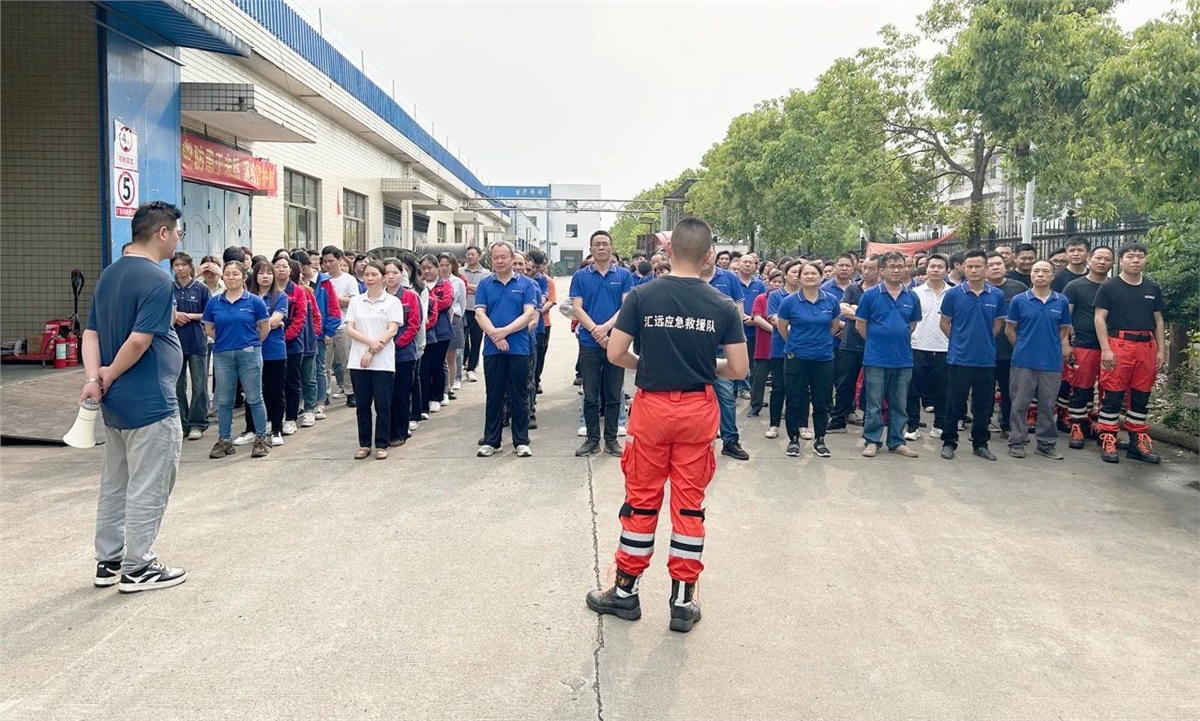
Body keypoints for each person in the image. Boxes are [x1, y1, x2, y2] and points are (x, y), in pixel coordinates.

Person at [585, 217, 747, 634]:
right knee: (689, 505)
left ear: (669, 250)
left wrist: (651, 363)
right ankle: (682, 600)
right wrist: (701, 366)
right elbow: (740, 367)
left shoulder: (641, 296)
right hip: (698, 409)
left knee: (641, 500)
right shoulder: (723, 306)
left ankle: (624, 592)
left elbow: (616, 353)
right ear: (709, 255)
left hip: (652, 408)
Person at [83, 201, 187, 593]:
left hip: (115, 403)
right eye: (177, 232)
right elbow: (141, 340)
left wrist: (96, 378)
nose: (178, 239)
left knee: (115, 483)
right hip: (150, 402)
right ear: (162, 233)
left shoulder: (110, 275)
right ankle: (139, 566)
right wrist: (111, 371)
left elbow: (91, 333)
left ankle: (108, 561)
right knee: (149, 484)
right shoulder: (158, 280)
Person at [1093, 243, 1165, 464]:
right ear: (1121, 261)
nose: (1135, 260)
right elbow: (1099, 318)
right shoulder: (1110, 287)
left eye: (1140, 257)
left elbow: (1159, 320)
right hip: (1119, 344)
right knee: (1113, 394)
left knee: (1141, 395)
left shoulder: (1152, 288)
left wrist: (1161, 350)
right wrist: (1106, 349)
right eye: (1130, 257)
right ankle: (1108, 438)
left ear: (1145, 260)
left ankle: (1137, 442)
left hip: (1146, 346)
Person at [939, 249, 1007, 461]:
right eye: (970, 266)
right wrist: (960, 341)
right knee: (955, 402)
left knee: (983, 405)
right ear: (963, 268)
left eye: (978, 266)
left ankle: (980, 443)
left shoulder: (996, 295)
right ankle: (949, 442)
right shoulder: (953, 294)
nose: (974, 270)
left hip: (986, 359)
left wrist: (982, 341)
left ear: (986, 268)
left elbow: (997, 325)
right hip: (959, 358)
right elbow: (944, 323)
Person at [571, 231, 634, 457]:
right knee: (590, 393)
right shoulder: (581, 276)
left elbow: (626, 306)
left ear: (611, 247)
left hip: (616, 342)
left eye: (605, 244)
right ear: (591, 248)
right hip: (589, 342)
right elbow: (577, 308)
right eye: (596, 244)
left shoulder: (624, 275)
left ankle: (611, 440)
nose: (601, 248)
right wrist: (596, 332)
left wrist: (605, 329)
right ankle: (592, 439)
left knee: (614, 393)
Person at [854, 252, 923, 458]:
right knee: (874, 403)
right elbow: (861, 325)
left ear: (905, 269)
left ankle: (896, 441)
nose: (896, 270)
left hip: (903, 359)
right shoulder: (871, 295)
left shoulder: (911, 296)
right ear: (882, 271)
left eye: (899, 266)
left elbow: (911, 325)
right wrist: (878, 342)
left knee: (899, 403)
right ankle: (872, 440)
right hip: (876, 358)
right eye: (891, 266)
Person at [474, 241, 539, 457]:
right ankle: (492, 441)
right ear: (491, 260)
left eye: (504, 257)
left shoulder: (527, 284)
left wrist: (504, 332)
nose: (500, 261)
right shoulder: (485, 284)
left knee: (519, 395)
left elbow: (529, 314)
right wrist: (494, 334)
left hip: (519, 348)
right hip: (493, 349)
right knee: (494, 394)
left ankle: (521, 440)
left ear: (512, 259)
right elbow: (479, 314)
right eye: (495, 257)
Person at [204, 261, 271, 460]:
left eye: (235, 274)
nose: (231, 277)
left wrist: (250, 344)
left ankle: (260, 438)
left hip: (249, 354)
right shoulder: (214, 302)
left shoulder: (254, 302)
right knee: (224, 400)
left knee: (254, 397)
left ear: (244, 277)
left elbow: (264, 328)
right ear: (222, 277)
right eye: (227, 274)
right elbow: (209, 328)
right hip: (223, 354)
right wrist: (227, 341)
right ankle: (225, 440)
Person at [1005, 260, 1072, 459]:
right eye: (1036, 271)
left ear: (1052, 276)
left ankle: (1046, 444)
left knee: (1048, 404)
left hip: (1051, 362)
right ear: (1031, 276)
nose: (1040, 275)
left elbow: (1063, 330)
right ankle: (1017, 441)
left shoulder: (1061, 301)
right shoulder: (1019, 300)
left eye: (1045, 271)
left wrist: (1049, 346)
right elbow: (1010, 330)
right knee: (1019, 403)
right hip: (1023, 361)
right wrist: (1024, 346)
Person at [775, 262, 839, 458]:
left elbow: (834, 327)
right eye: (806, 274)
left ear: (821, 277)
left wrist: (819, 342)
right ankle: (793, 439)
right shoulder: (789, 301)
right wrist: (797, 343)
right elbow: (782, 327)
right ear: (799, 278)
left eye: (814, 273)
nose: (810, 276)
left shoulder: (831, 300)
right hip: (796, 357)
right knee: (794, 399)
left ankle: (820, 439)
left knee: (822, 401)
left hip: (823, 358)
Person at [344, 260, 403, 460]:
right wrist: (370, 343)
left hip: (383, 361)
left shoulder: (392, 302)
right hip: (358, 361)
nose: (369, 278)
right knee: (362, 405)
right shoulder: (356, 301)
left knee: (383, 405)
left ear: (383, 277)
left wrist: (373, 349)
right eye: (366, 275)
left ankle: (381, 443)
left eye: (374, 275)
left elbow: (392, 329)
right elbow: (350, 328)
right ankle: (364, 444)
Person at [1063, 246, 1115, 448]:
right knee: (1081, 387)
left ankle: (1103, 428)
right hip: (1084, 344)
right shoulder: (1075, 286)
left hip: (1111, 346)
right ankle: (1077, 425)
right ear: (1090, 259)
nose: (1102, 262)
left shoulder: (1114, 287)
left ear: (1112, 263)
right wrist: (1065, 344)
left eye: (1107, 259)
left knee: (1108, 389)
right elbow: (1064, 319)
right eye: (1098, 258)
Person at [701, 255, 750, 460]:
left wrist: (735, 340)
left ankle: (730, 440)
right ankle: (699, 441)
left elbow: (738, 312)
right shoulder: (688, 276)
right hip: (694, 348)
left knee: (725, 395)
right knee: (694, 396)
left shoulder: (729, 278)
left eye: (709, 252)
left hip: (721, 347)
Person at [828, 254, 880, 432]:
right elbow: (842, 308)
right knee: (844, 383)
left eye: (871, 268)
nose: (866, 271)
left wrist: (857, 311)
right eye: (864, 267)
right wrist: (866, 316)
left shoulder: (883, 290)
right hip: (850, 343)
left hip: (874, 345)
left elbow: (883, 315)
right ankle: (838, 420)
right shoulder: (853, 288)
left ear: (880, 270)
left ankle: (871, 422)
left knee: (873, 385)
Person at [239, 260, 287, 447]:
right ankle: (251, 429)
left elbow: (275, 321)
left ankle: (276, 429)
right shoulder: (246, 297)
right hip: (249, 351)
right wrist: (267, 322)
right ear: (254, 276)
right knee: (252, 392)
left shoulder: (280, 297)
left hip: (274, 351)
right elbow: (246, 322)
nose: (265, 276)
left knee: (275, 391)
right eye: (261, 273)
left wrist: (262, 322)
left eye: (269, 273)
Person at [906, 253, 951, 439]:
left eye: (940, 267)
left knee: (942, 390)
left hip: (944, 347)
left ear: (947, 270)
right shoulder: (914, 293)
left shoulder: (953, 293)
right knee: (912, 390)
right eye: (932, 266)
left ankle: (940, 425)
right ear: (926, 269)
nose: (935, 270)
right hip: (917, 345)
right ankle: (912, 426)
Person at [987, 251, 1029, 436]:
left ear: (1006, 266)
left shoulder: (1019, 288)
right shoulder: (979, 289)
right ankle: (984, 422)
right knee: (985, 390)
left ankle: (1007, 424)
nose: (995, 267)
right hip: (986, 349)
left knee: (1010, 390)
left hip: (1011, 349)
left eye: (998, 263)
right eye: (990, 265)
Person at [171, 252, 210, 441]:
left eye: (183, 265)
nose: (180, 268)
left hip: (197, 342)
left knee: (199, 385)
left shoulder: (201, 289)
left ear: (190, 267)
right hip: (174, 344)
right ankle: (182, 423)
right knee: (177, 386)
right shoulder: (169, 288)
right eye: (176, 265)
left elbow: (210, 314)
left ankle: (197, 423)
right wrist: (175, 316)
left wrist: (192, 316)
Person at [384, 257, 423, 447]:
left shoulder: (410, 296)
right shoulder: (376, 296)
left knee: (401, 394)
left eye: (395, 272)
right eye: (387, 273)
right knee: (385, 395)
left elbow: (414, 325)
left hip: (403, 353)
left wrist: (395, 345)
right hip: (380, 354)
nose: (390, 276)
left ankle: (400, 431)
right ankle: (386, 430)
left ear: (402, 275)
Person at [764, 260, 801, 440]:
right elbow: (774, 319)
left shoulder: (807, 296)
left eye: (799, 272)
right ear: (785, 274)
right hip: (780, 348)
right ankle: (774, 424)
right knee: (779, 387)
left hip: (803, 350)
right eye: (793, 272)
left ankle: (802, 425)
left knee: (801, 388)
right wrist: (799, 328)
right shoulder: (776, 295)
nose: (797, 275)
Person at [320, 246, 359, 406]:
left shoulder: (349, 279)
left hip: (344, 325)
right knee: (324, 363)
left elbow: (354, 301)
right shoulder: (321, 279)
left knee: (347, 361)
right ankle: (324, 392)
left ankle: (350, 392)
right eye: (325, 261)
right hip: (326, 326)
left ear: (339, 260)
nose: (328, 264)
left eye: (332, 261)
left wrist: (334, 298)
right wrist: (341, 299)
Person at [419, 255, 454, 414]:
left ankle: (437, 397)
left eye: (430, 267)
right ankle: (424, 398)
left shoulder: (445, 285)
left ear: (437, 268)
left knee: (437, 366)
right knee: (424, 367)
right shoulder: (418, 286)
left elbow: (446, 303)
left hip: (441, 331)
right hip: (423, 331)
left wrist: (427, 301)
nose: (426, 271)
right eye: (423, 268)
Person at [310, 253, 342, 421]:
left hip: (321, 335)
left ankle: (320, 402)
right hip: (301, 336)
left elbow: (334, 310)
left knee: (320, 368)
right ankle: (306, 403)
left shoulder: (324, 283)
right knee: (304, 371)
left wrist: (329, 331)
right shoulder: (295, 284)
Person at [748, 270, 783, 417]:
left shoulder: (787, 299)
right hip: (763, 345)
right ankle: (755, 405)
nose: (776, 284)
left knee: (780, 379)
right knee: (759, 377)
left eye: (780, 282)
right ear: (767, 282)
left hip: (781, 346)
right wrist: (776, 330)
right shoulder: (761, 298)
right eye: (774, 281)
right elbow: (756, 317)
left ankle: (781, 408)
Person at [735, 254, 767, 398]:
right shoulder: (733, 281)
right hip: (736, 327)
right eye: (745, 262)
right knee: (735, 359)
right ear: (738, 264)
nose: (748, 265)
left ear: (755, 266)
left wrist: (754, 318)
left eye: (751, 263)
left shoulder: (760, 285)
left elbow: (763, 304)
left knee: (751, 361)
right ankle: (735, 388)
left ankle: (747, 388)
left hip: (754, 328)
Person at [439, 253, 467, 397]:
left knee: (452, 355)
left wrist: (456, 316)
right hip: (438, 319)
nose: (444, 268)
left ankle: (450, 386)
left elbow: (462, 303)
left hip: (454, 318)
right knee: (439, 356)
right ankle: (440, 387)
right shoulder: (432, 281)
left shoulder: (458, 282)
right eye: (441, 265)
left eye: (447, 265)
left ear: (452, 266)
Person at [461, 245, 489, 382]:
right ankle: (463, 363)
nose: (470, 256)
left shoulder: (486, 274)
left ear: (479, 256)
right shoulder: (460, 271)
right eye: (468, 254)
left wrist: (466, 287)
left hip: (478, 311)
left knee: (476, 340)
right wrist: (473, 288)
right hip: (463, 311)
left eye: (472, 254)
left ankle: (471, 368)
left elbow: (482, 289)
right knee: (463, 340)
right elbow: (459, 287)